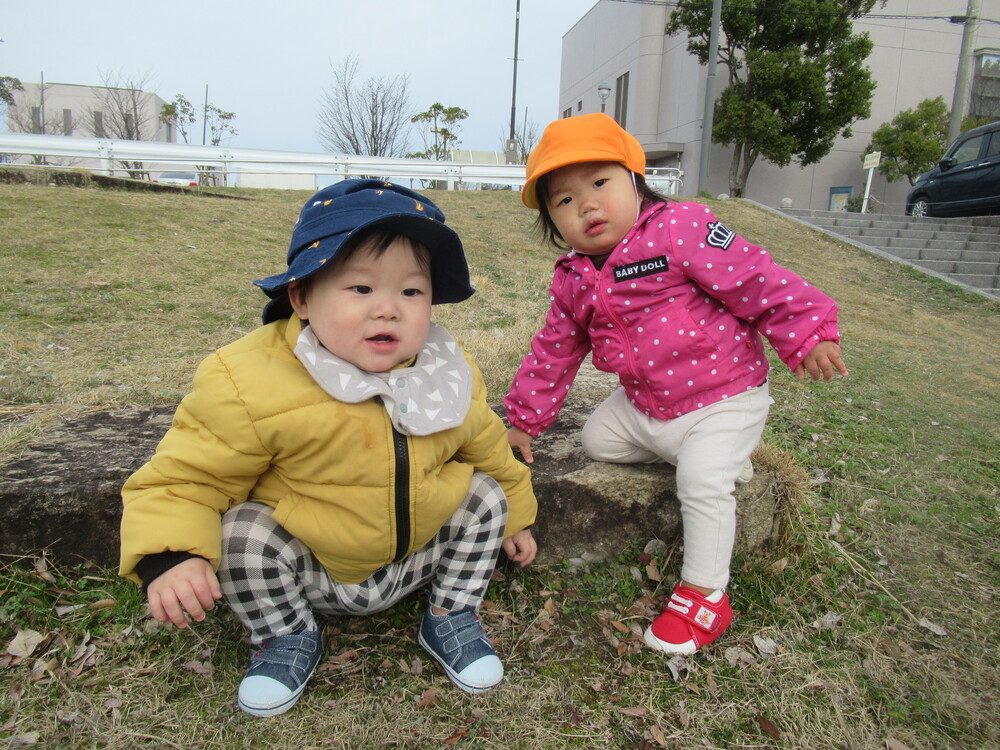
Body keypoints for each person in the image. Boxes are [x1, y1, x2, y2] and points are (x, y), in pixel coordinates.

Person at [120, 179, 538, 717]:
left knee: (483, 495)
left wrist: (518, 517)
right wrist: (170, 555)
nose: (388, 309)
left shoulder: (444, 373)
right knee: (241, 531)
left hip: (415, 559)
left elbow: (490, 451)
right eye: (361, 289)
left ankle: (451, 616)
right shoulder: (253, 380)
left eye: (411, 292)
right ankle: (287, 635)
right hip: (309, 570)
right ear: (302, 296)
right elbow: (188, 473)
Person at [504, 114, 847, 657]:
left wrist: (808, 331)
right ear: (550, 219)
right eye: (564, 201)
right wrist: (524, 419)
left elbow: (753, 275)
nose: (587, 206)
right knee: (598, 441)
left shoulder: (679, 228)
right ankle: (712, 457)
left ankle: (706, 594)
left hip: (725, 395)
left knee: (702, 479)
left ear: (635, 180)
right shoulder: (573, 276)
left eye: (599, 184)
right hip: (649, 403)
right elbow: (554, 350)